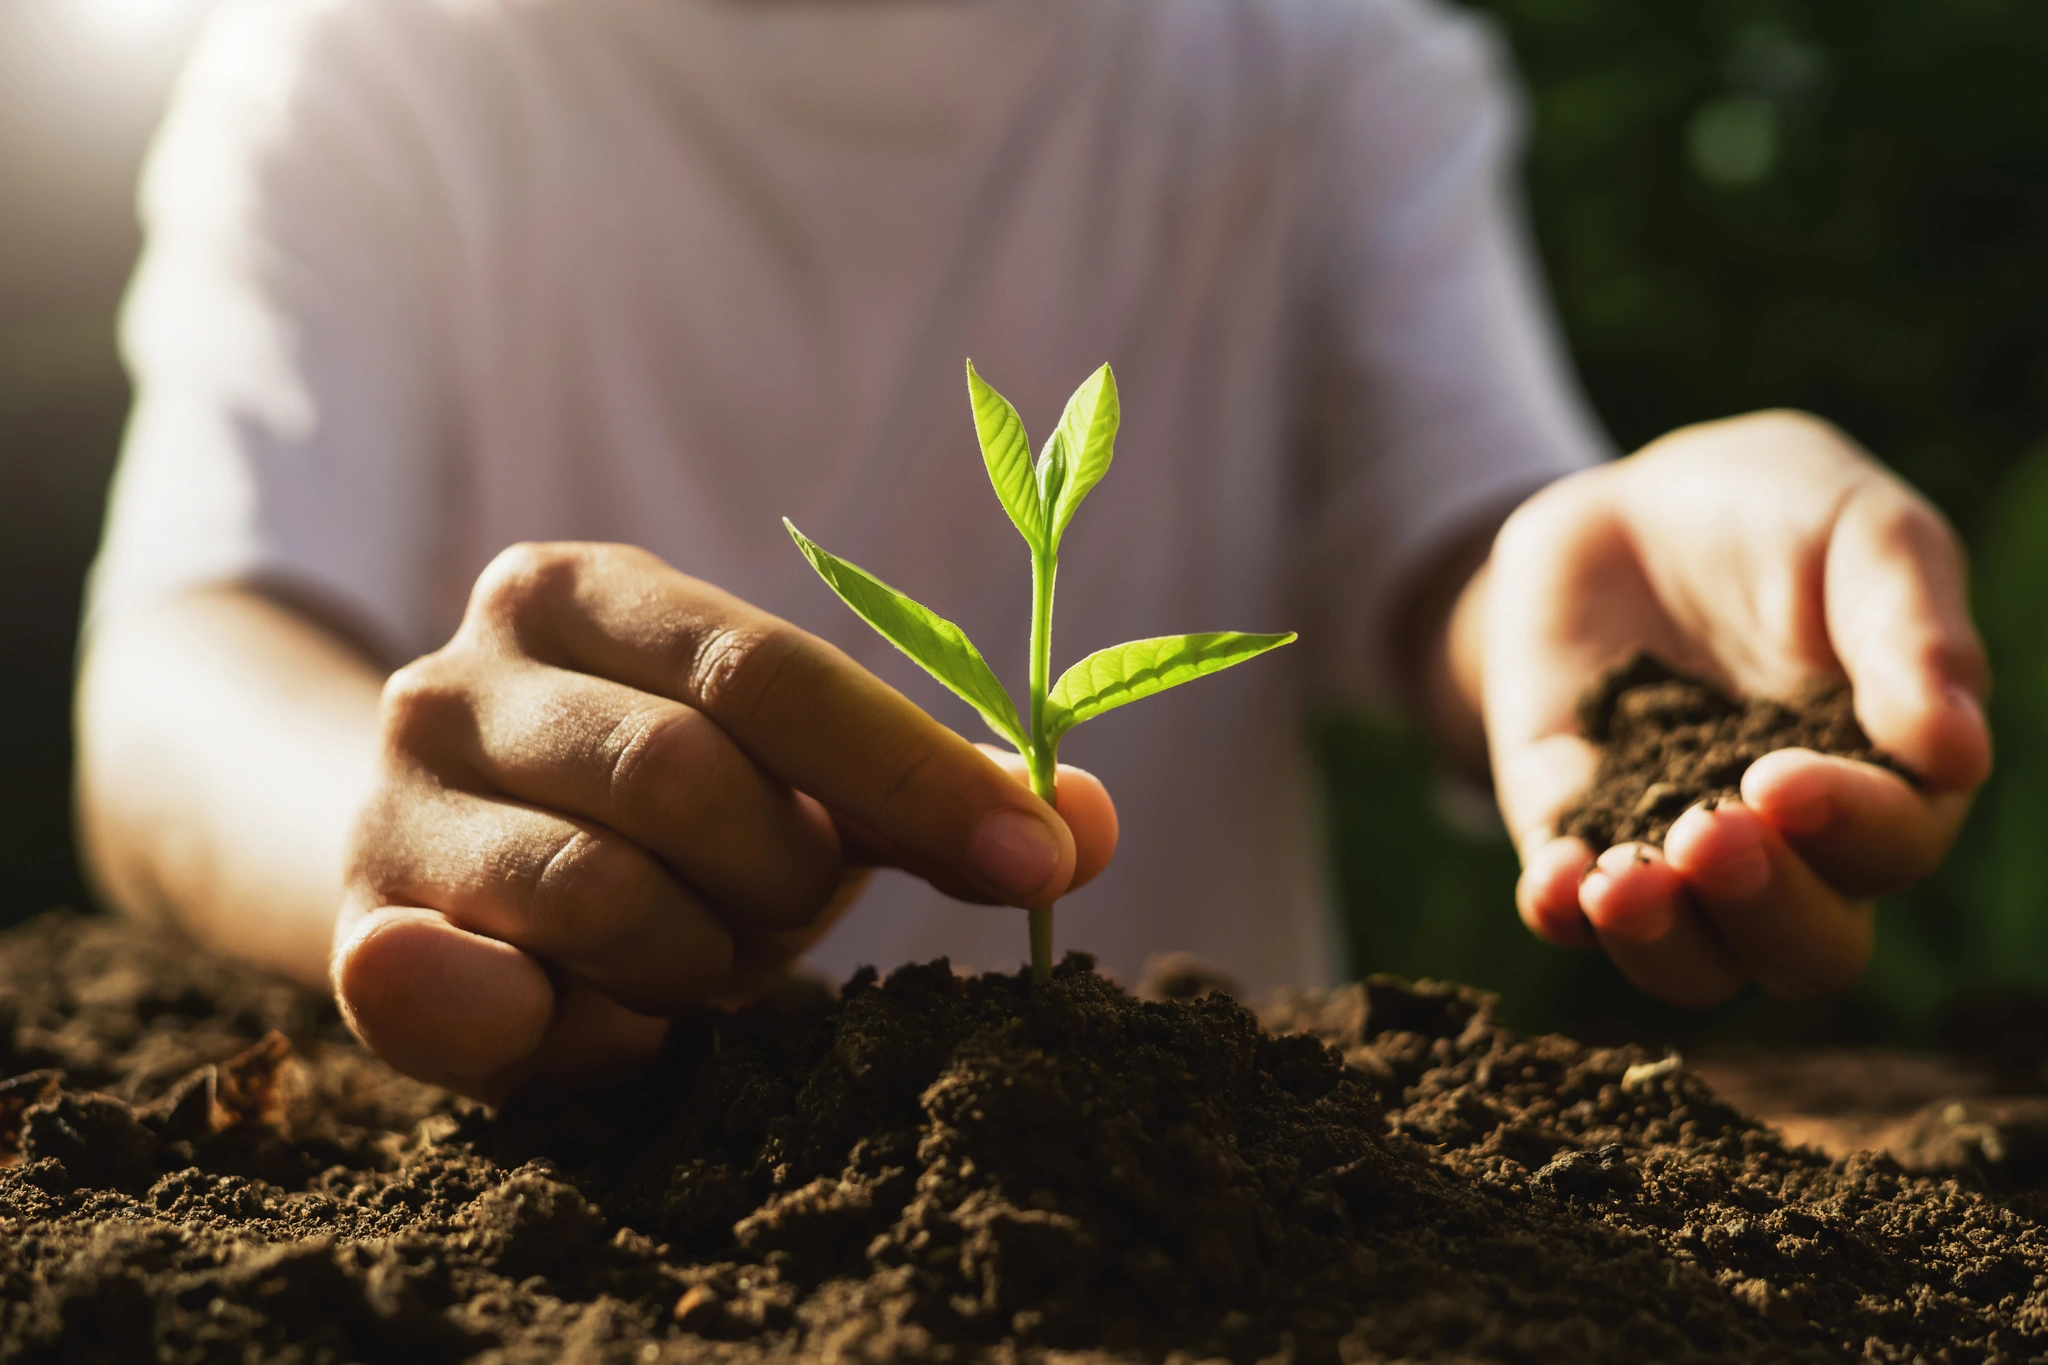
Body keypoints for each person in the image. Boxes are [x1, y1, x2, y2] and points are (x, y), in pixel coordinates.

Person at [77, 0, 1989, 1101]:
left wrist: (1598, 624)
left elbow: (1473, 543)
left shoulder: (1308, 65)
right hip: (624, 1182)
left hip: (1222, 1210)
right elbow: (181, 664)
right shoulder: (367, 70)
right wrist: (394, 814)